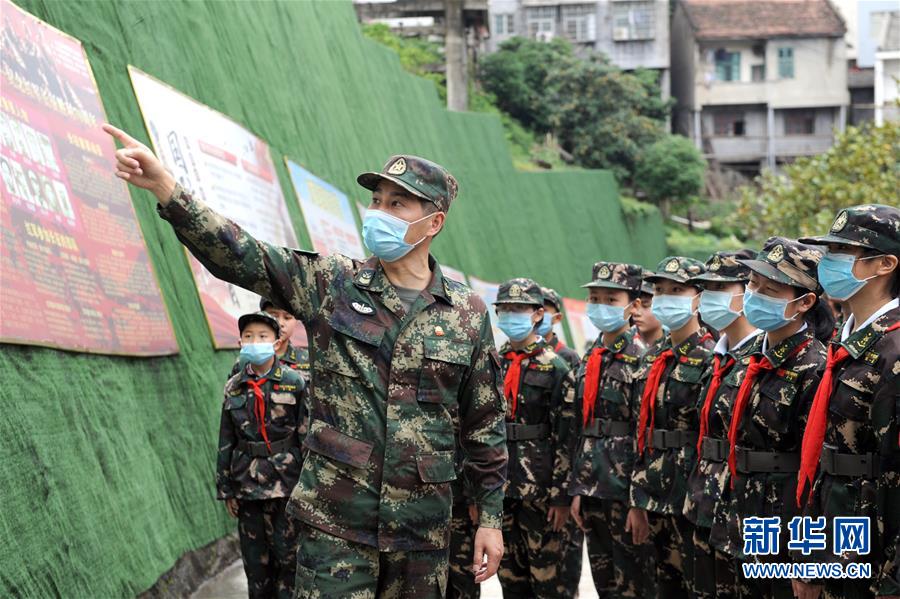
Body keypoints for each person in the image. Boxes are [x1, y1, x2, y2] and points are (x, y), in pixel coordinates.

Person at [104, 123, 507, 597]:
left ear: (433, 222)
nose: (379, 212)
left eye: (397, 203)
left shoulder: (466, 315)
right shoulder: (331, 284)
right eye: (376, 201)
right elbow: (243, 256)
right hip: (334, 527)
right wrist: (167, 189)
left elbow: (484, 426)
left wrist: (491, 519)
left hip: (421, 537)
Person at [708, 237, 830, 599]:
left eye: (770, 289)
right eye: (752, 284)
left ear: (804, 302)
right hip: (735, 517)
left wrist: (808, 558)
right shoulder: (746, 357)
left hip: (783, 529)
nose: (755, 294)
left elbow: (817, 472)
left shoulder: (816, 367)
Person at [793, 205, 900, 599]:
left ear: (885, 264)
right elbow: (824, 459)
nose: (826, 262)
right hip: (834, 541)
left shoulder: (893, 350)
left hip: (875, 559)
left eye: (841, 251)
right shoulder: (848, 342)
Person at [629, 256, 716, 598]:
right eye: (660, 290)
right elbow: (642, 431)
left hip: (691, 496)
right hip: (654, 496)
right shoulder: (652, 357)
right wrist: (637, 498)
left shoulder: (712, 358)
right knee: (660, 586)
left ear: (698, 298)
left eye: (676, 290)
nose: (665, 298)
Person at [568, 261, 649, 598]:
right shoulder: (592, 355)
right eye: (596, 298)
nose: (601, 306)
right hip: (592, 490)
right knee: (604, 586)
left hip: (623, 490)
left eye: (611, 300)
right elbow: (581, 427)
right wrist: (577, 488)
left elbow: (645, 434)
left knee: (632, 584)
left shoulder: (642, 359)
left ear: (633, 306)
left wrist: (639, 502)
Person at [681, 250, 759, 599]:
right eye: (705, 288)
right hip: (705, 503)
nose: (709, 297)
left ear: (749, 292)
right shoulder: (720, 357)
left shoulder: (761, 358)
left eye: (720, 287)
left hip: (744, 513)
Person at [493, 278, 576, 598]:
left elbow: (566, 435)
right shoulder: (491, 363)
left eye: (519, 309)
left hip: (540, 490)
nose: (511, 315)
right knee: (510, 580)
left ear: (538, 314)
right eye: (505, 309)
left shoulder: (556, 366)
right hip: (499, 488)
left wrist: (561, 496)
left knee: (548, 581)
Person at [217, 311, 308, 599]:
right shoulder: (234, 387)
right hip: (248, 486)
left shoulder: (294, 382)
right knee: (256, 567)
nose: (255, 342)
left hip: (287, 485)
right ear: (240, 342)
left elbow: (306, 436)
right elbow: (226, 439)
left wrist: (310, 486)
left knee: (289, 562)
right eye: (248, 337)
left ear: (276, 342)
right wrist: (226, 488)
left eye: (262, 336)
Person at [536, 285, 583, 595]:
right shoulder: (510, 355)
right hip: (528, 479)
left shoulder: (566, 358)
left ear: (555, 315)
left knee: (562, 569)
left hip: (557, 476)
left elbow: (569, 427)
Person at [232, 297, 311, 383]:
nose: (280, 323)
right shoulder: (243, 362)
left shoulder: (308, 361)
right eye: (274, 316)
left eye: (287, 317)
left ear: (296, 321)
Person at [537, 287, 581, 370]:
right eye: (534, 309)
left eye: (544, 310)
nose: (538, 314)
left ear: (557, 317)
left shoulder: (568, 357)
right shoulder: (517, 352)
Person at [633, 281, 664, 350]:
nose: (636, 312)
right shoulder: (620, 344)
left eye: (645, 305)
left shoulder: (674, 345)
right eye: (634, 305)